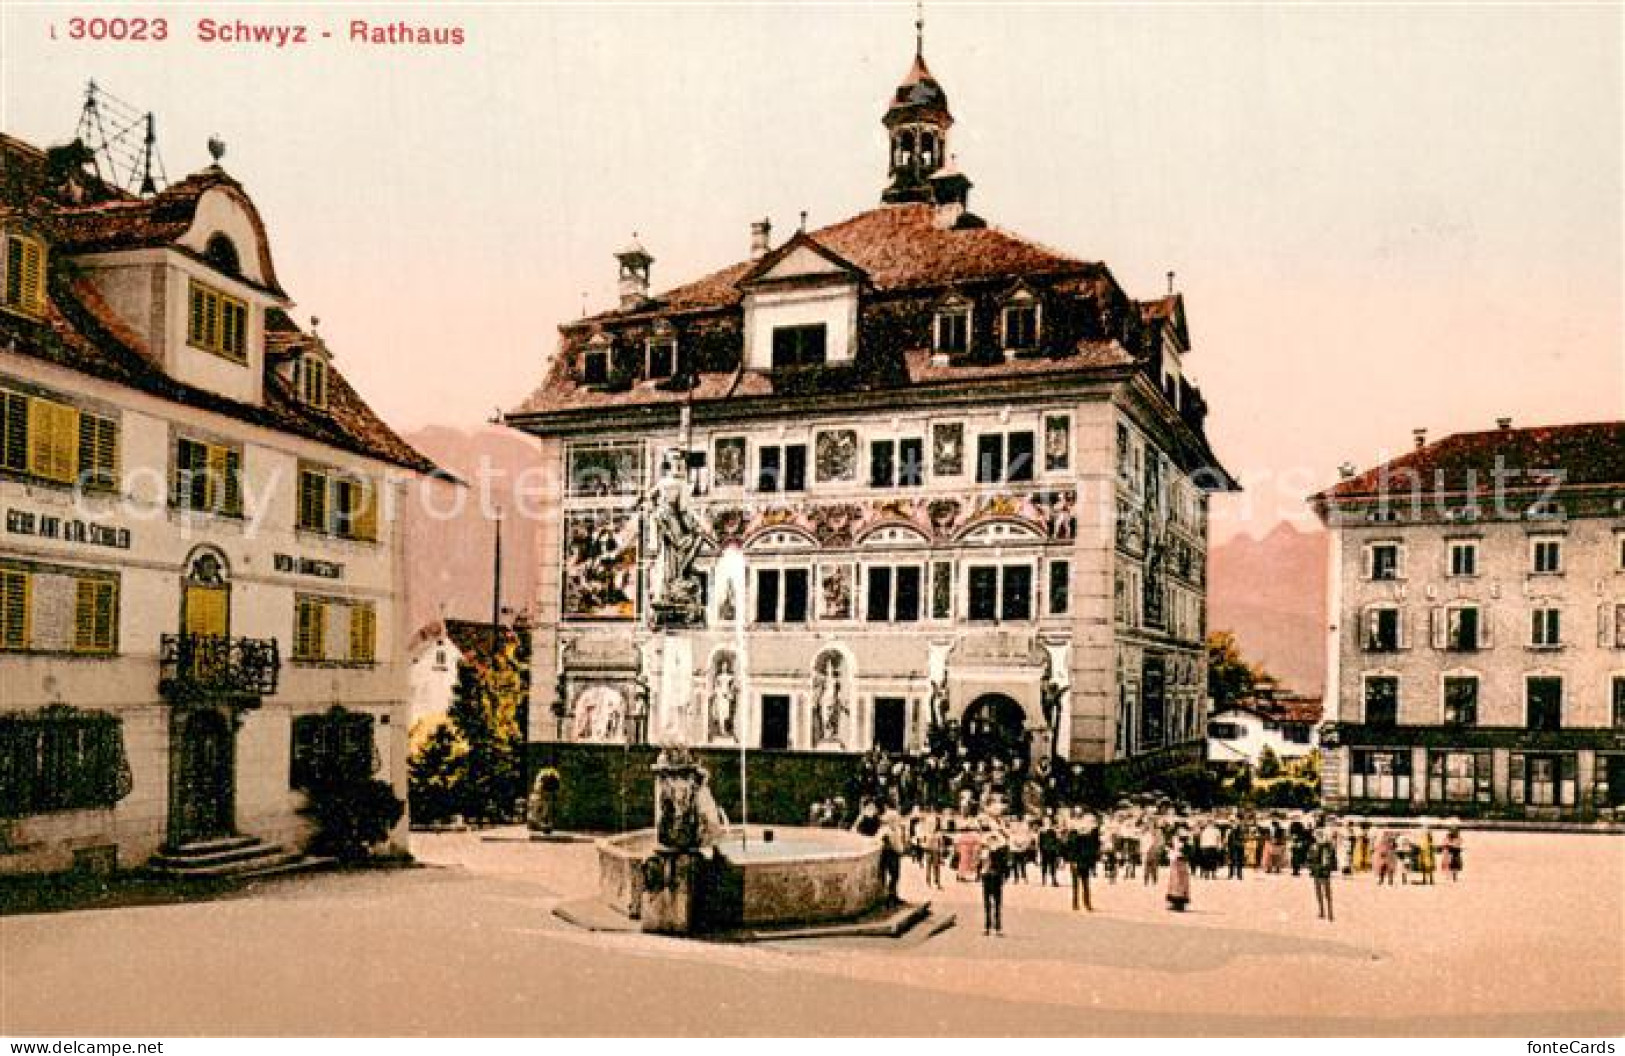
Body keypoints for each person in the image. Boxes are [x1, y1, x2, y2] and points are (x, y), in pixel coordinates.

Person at [978, 819, 1009, 936]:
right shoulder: (996, 850)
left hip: (990, 875)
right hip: (991, 875)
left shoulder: (991, 849)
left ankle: (991, 927)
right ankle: (993, 927)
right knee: (994, 903)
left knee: (991, 903)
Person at [1068, 813, 1100, 912]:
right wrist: (1073, 861)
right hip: (1077, 862)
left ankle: (1086, 903)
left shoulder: (1089, 838)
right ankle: (1076, 904)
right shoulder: (1074, 836)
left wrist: (1091, 864)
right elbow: (1072, 849)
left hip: (1084, 862)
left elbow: (1091, 852)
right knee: (1076, 885)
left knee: (1085, 884)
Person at [1309, 827, 1339, 922]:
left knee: (1323, 893)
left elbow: (1330, 860)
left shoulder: (1322, 846)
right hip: (1321, 871)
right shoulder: (1324, 846)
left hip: (1321, 871)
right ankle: (1326, 912)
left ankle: (1326, 912)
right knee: (1324, 893)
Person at [1166, 842, 1192, 912]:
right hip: (1177, 862)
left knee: (1178, 883)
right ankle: (1177, 904)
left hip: (1178, 861)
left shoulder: (1180, 841)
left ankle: (1179, 904)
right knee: (1178, 883)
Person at [1038, 816, 1062, 887]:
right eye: (1045, 820)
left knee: (1052, 865)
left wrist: (1057, 849)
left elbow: (1057, 840)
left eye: (1048, 820)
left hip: (1052, 850)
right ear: (1043, 822)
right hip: (1044, 850)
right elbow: (1039, 841)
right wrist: (1039, 850)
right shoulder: (1041, 830)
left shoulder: (1054, 830)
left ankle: (1053, 880)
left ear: (1050, 822)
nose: (1046, 822)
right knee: (1044, 865)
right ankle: (1043, 879)